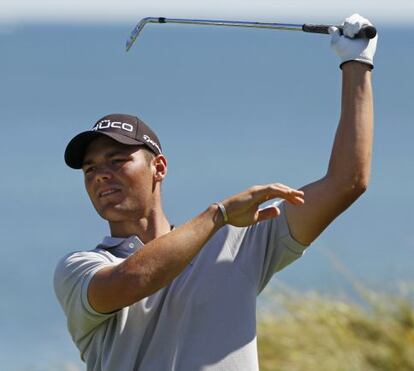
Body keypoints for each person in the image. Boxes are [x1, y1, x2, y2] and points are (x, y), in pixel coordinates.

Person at [54, 13, 377, 371]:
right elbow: (133, 279)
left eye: (116, 160)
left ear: (158, 168)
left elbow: (347, 182)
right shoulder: (81, 269)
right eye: (90, 169)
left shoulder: (239, 242)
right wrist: (219, 215)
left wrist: (356, 64)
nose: (101, 175)